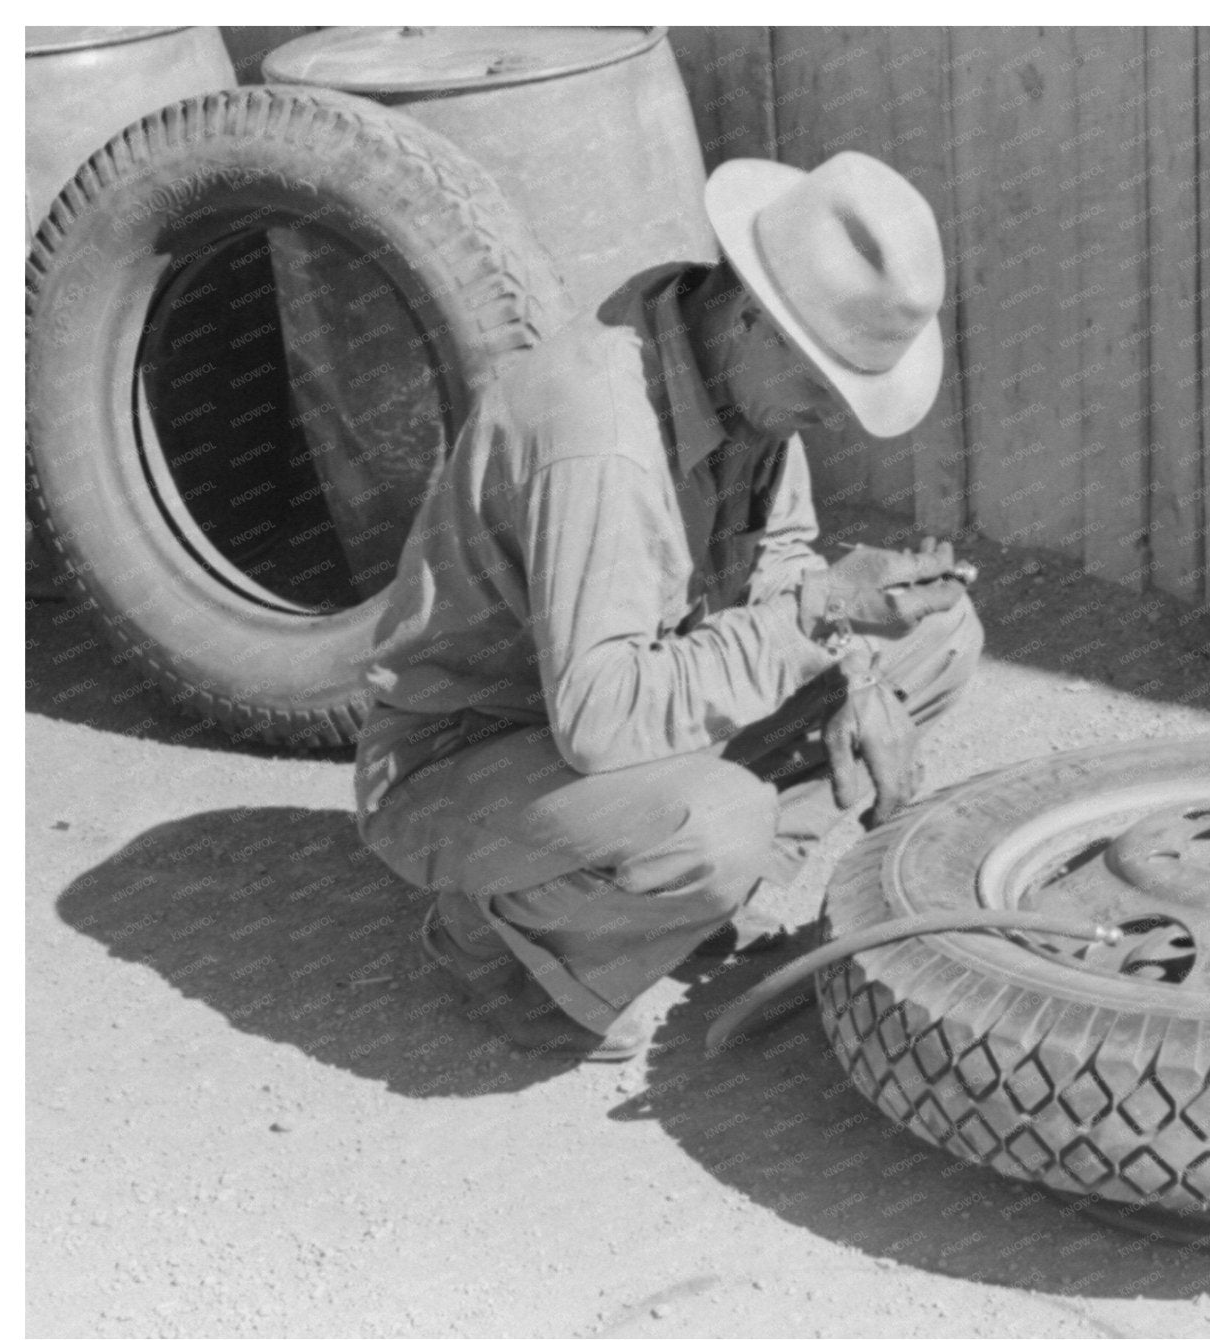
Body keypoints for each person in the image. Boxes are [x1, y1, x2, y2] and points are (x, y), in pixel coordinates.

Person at [352, 151, 981, 1063]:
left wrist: (854, 664)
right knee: (716, 823)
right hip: (469, 753)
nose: (834, 420)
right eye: (823, 389)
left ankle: (679, 914)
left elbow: (779, 565)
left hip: (617, 717)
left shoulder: (739, 378)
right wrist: (820, 614)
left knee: (935, 635)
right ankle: (496, 944)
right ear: (755, 319)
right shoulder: (602, 440)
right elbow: (600, 721)